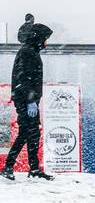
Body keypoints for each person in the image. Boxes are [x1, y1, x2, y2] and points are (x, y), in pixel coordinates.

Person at [3, 22, 53, 180]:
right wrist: (30, 100)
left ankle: (31, 169)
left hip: (28, 100)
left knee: (31, 133)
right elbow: (23, 79)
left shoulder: (31, 51)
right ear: (38, 37)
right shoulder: (27, 52)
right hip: (25, 100)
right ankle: (11, 167)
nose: (47, 42)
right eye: (46, 38)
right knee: (28, 133)